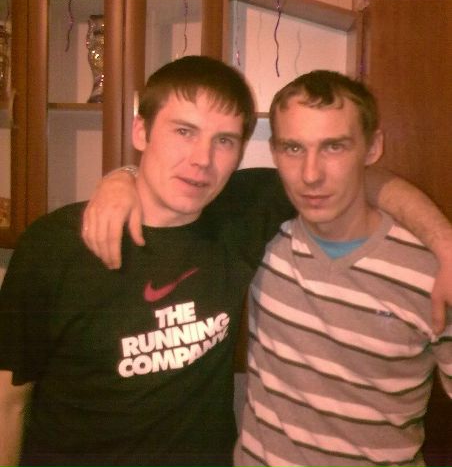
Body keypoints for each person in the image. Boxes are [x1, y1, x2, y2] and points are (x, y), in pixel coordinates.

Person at [0, 56, 271, 467]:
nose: (203, 158)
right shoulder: (55, 246)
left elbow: (348, 178)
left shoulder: (242, 215)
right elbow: (8, 401)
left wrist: (123, 174)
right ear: (140, 130)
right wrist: (122, 175)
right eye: (184, 131)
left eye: (225, 141)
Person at [234, 70, 451, 467]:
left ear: (373, 148)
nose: (311, 174)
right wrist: (123, 179)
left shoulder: (434, 273)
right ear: (274, 152)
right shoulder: (259, 236)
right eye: (293, 148)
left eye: (334, 147)